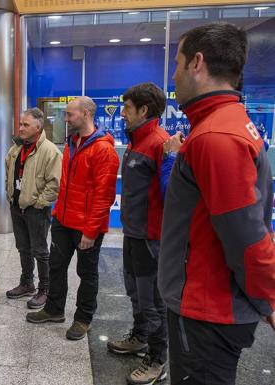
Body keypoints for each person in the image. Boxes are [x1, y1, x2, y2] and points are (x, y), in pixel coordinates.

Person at [160, 22, 275, 385]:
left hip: (206, 311)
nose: (174, 74)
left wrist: (269, 295)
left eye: (177, 64)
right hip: (208, 304)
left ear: (197, 63)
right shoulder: (223, 125)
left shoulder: (216, 136)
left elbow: (246, 235)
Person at [26, 96, 119, 342]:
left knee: (86, 273)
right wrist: (57, 213)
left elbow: (104, 196)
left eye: (69, 114)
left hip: (87, 226)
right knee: (56, 267)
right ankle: (54, 309)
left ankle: (83, 318)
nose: (65, 118)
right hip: (63, 220)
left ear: (86, 114)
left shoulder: (104, 149)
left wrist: (90, 232)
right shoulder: (72, 143)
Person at [106, 83, 169, 384]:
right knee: (135, 293)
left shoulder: (160, 143)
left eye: (127, 108)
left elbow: (172, 194)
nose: (122, 114)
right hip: (132, 234)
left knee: (152, 300)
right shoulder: (135, 141)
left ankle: (157, 358)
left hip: (151, 239)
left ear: (144, 110)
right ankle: (140, 337)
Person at [5, 108, 61, 309]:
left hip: (36, 209)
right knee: (23, 248)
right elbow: (8, 174)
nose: (20, 128)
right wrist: (11, 196)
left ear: (38, 127)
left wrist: (39, 204)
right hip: (17, 206)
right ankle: (27, 283)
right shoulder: (16, 149)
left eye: (25, 125)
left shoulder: (49, 151)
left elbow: (54, 184)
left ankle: (44, 289)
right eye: (20, 124)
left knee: (40, 250)